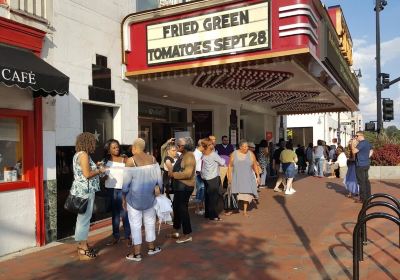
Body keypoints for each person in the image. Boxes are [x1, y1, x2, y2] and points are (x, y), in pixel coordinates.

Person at [123, 138, 163, 262]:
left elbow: (125, 184)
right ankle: (151, 248)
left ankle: (137, 253)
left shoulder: (131, 161)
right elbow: (159, 180)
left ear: (134, 147)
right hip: (150, 197)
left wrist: (123, 197)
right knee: (150, 223)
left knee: (135, 225)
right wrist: (159, 189)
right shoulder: (152, 159)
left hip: (134, 198)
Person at [71, 132, 106, 260]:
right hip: (85, 191)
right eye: (93, 142)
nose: (94, 145)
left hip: (81, 190)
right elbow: (87, 174)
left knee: (82, 219)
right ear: (88, 142)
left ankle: (82, 244)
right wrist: (99, 170)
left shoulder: (78, 155)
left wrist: (95, 166)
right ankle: (83, 249)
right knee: (84, 220)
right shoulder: (84, 155)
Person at [168, 137, 196, 244]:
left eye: (179, 145)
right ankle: (176, 231)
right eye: (177, 145)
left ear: (186, 146)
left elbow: (188, 174)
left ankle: (187, 234)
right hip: (179, 187)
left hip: (184, 187)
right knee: (176, 207)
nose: (177, 147)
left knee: (182, 209)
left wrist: (173, 174)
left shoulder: (189, 156)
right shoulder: (182, 155)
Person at [103, 139, 131, 246]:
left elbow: (130, 173)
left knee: (124, 213)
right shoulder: (105, 161)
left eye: (117, 146)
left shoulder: (125, 159)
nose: (117, 149)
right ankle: (116, 236)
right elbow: (103, 178)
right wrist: (102, 172)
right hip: (111, 189)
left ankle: (128, 236)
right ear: (108, 150)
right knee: (115, 214)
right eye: (114, 147)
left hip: (123, 189)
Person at [227, 139, 260, 217]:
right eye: (244, 146)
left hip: (247, 177)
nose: (246, 148)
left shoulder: (251, 154)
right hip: (236, 176)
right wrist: (229, 176)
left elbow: (255, 165)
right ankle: (234, 209)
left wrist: (258, 176)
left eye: (247, 146)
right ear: (240, 147)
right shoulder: (234, 154)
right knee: (234, 193)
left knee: (246, 194)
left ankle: (245, 211)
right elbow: (230, 166)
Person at [201, 138, 226, 221]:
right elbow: (222, 162)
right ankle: (214, 215)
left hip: (205, 177)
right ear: (208, 145)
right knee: (214, 197)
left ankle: (208, 214)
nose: (213, 145)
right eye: (211, 144)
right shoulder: (213, 154)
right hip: (213, 177)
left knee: (208, 196)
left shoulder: (203, 153)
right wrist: (224, 159)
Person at [351, 131, 373, 203]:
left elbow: (354, 151)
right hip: (366, 164)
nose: (355, 137)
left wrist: (352, 144)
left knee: (361, 182)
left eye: (356, 136)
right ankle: (368, 197)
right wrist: (367, 157)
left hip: (360, 165)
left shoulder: (361, 143)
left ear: (361, 135)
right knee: (366, 180)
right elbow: (371, 150)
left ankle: (363, 199)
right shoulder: (367, 142)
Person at [193, 139, 205, 215]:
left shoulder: (201, 153)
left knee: (203, 190)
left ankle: (202, 207)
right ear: (201, 145)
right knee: (200, 190)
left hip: (203, 174)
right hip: (198, 174)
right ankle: (197, 209)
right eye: (204, 146)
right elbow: (194, 165)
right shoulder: (195, 154)